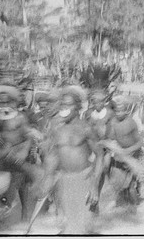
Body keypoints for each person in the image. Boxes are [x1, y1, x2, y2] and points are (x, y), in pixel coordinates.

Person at [39, 88, 101, 234]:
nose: (64, 108)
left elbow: (99, 155)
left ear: (77, 107)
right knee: (67, 227)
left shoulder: (86, 128)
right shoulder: (56, 129)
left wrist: (94, 185)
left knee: (86, 226)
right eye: (62, 105)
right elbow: (53, 156)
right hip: (64, 180)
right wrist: (47, 179)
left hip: (84, 179)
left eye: (68, 105)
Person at [0, 85, 44, 220]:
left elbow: (30, 136)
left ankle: (24, 210)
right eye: (1, 102)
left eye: (7, 102)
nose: (4, 104)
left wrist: (24, 151)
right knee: (0, 181)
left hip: (19, 154)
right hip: (4, 155)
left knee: (21, 184)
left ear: (12, 102)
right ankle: (4, 207)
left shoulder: (20, 117)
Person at [104, 95, 144, 207]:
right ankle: (120, 203)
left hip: (133, 155)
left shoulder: (131, 122)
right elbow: (111, 137)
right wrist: (110, 145)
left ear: (126, 111)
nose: (119, 113)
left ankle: (135, 208)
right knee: (116, 183)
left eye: (121, 111)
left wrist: (128, 151)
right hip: (120, 156)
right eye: (117, 111)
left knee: (131, 187)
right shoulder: (113, 122)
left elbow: (140, 142)